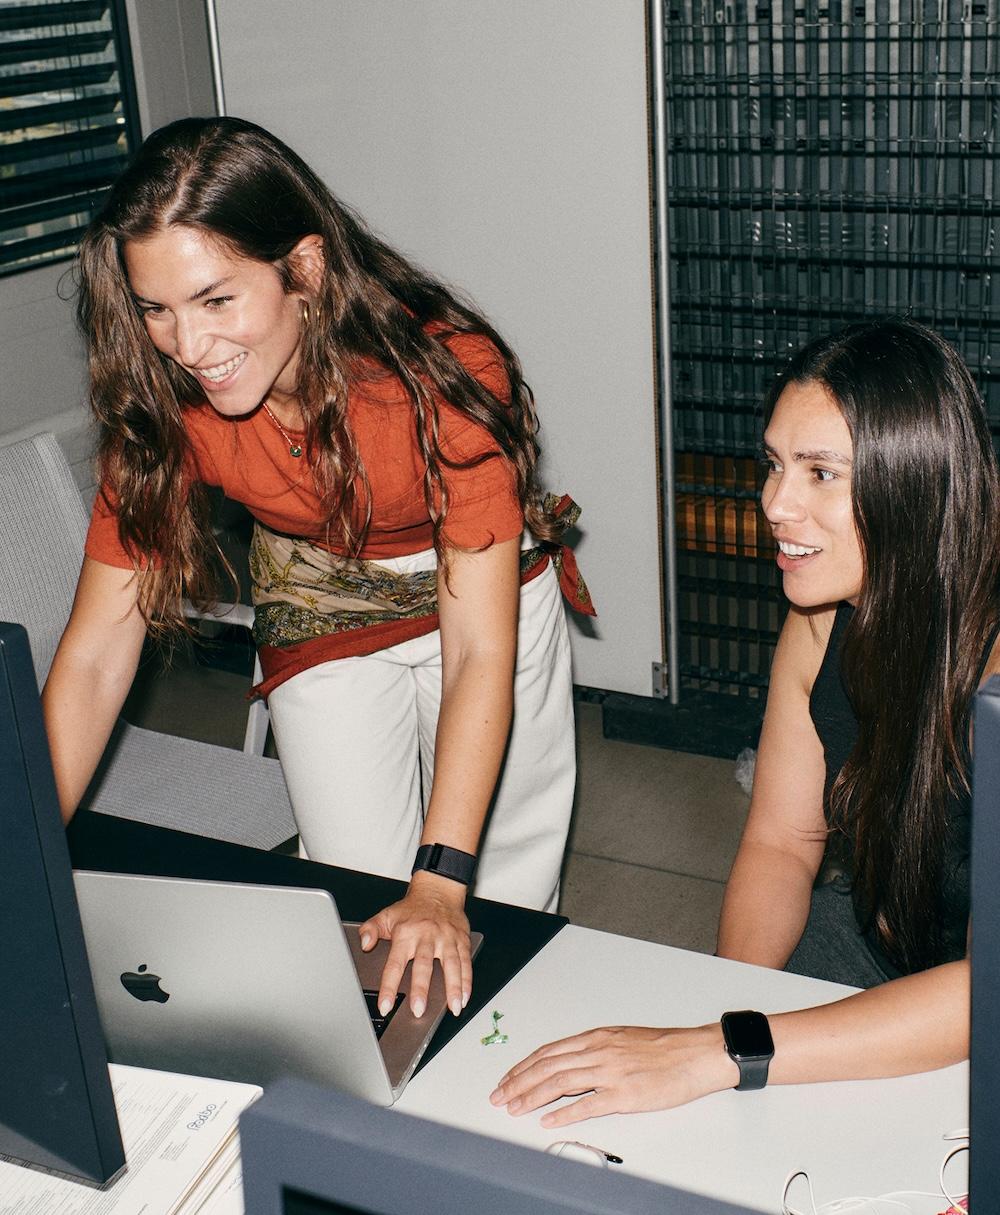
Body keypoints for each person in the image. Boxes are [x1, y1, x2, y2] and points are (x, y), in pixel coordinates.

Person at [43, 116, 589, 1023]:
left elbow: (480, 655)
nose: (186, 344)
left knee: (494, 893)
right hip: (319, 599)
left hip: (483, 598)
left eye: (216, 300)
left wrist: (445, 881)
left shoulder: (445, 373)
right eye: (156, 308)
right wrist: (17, 857)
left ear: (304, 269)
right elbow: (99, 653)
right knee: (357, 899)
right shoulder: (162, 399)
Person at [491, 317, 1000, 1125]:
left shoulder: (993, 676)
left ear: (916, 484)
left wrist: (726, 1050)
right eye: (773, 464)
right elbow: (781, 843)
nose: (773, 502)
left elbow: (986, 993)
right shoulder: (819, 619)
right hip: (878, 941)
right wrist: (723, 1015)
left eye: (820, 473)